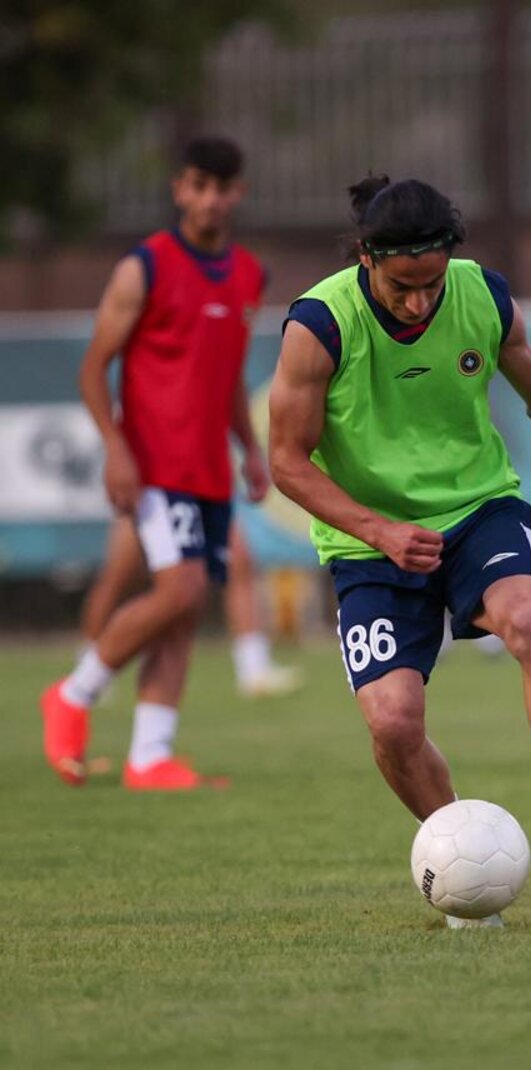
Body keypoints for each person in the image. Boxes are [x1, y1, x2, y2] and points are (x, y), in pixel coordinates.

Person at [267, 176, 531, 922]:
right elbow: (286, 463)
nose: (420, 302)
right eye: (401, 286)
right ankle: (459, 857)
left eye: (431, 283)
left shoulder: (481, 294)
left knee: (528, 619)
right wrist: (378, 530)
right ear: (366, 258)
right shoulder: (320, 323)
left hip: (478, 508)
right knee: (392, 723)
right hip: (369, 543)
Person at [41, 135, 270, 790]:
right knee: (181, 589)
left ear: (238, 194)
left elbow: (225, 375)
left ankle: (150, 754)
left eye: (223, 188)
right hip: (153, 464)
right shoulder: (144, 266)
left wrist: (249, 450)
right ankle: (74, 694)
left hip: (210, 469)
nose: (211, 199)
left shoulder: (250, 274)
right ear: (179, 189)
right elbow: (93, 368)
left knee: (185, 608)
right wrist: (115, 447)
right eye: (199, 185)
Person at [81, 516, 303, 698]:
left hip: (201, 486)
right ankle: (88, 673)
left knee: (237, 560)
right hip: (155, 484)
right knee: (123, 575)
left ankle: (254, 667)